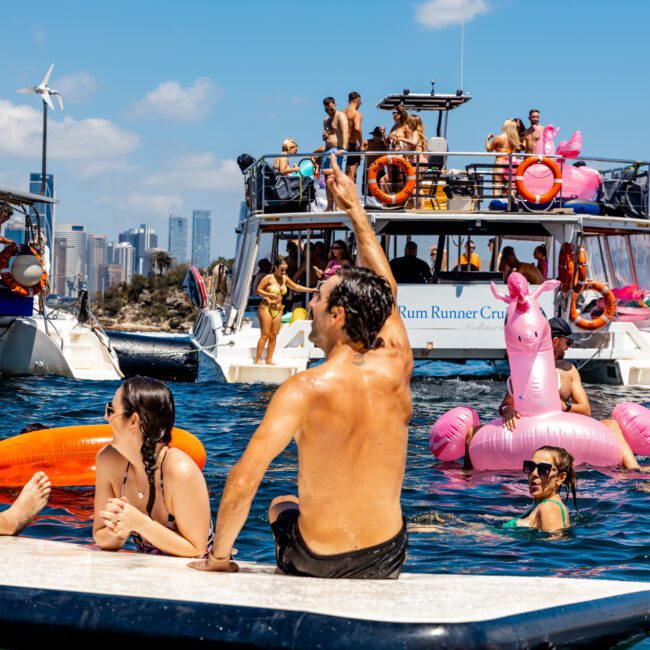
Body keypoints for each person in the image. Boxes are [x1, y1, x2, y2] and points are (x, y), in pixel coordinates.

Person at [190, 154, 412, 579]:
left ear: (338, 315)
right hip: (388, 555)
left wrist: (218, 559)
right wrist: (356, 213)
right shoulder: (397, 365)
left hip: (319, 562)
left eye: (319, 297)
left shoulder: (304, 389)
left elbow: (243, 480)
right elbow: (387, 293)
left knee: (280, 505)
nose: (308, 303)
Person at [497, 318, 644, 471]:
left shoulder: (568, 370)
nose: (569, 348)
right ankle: (635, 471)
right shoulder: (527, 370)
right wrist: (508, 410)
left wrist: (564, 407)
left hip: (563, 432)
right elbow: (504, 405)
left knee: (611, 424)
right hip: (532, 433)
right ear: (555, 342)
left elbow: (586, 409)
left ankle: (634, 468)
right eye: (568, 342)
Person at [93, 377, 213, 556]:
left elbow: (196, 549)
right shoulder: (107, 460)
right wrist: (120, 531)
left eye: (111, 410)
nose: (105, 416)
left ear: (133, 422)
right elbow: (100, 535)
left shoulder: (179, 470)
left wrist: (140, 523)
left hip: (200, 576)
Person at [255, 257, 315, 364]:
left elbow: (296, 287)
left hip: (278, 309)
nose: (284, 272)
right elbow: (258, 290)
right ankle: (258, 359)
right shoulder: (268, 278)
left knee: (273, 335)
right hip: (266, 308)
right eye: (281, 269)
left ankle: (269, 359)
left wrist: (311, 289)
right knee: (265, 335)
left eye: (285, 270)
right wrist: (270, 294)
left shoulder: (285, 278)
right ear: (276, 268)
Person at [503, 446, 576, 532]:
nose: (534, 473)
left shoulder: (549, 508)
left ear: (560, 478)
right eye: (531, 466)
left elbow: (553, 543)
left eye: (544, 469)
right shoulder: (542, 505)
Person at [321, 97, 349, 210]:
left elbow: (345, 131)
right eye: (327, 109)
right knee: (328, 179)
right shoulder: (326, 120)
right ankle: (329, 206)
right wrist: (324, 137)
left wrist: (343, 149)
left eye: (331, 109)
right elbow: (327, 136)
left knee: (338, 178)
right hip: (327, 151)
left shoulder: (340, 115)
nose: (329, 111)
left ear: (335, 105)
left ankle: (338, 206)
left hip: (338, 151)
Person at [485, 119, 521, 196]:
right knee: (511, 189)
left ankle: (496, 205)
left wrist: (487, 139)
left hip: (500, 163)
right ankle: (510, 206)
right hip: (511, 165)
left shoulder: (498, 138)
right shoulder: (516, 141)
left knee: (497, 188)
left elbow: (489, 149)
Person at [343, 92, 363, 182]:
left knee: (342, 174)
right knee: (351, 176)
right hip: (351, 146)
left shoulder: (341, 113)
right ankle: (349, 195)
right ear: (358, 101)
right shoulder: (356, 114)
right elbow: (357, 128)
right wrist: (361, 144)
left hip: (341, 146)